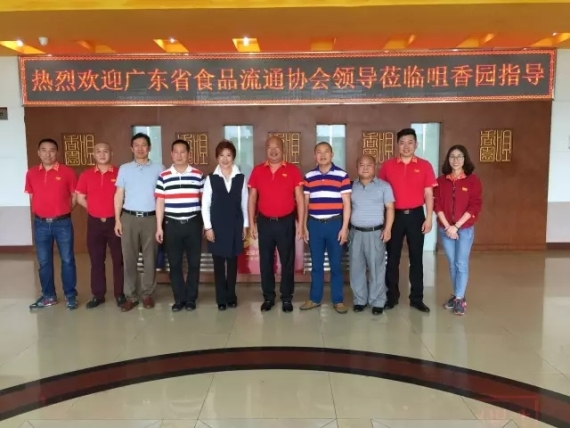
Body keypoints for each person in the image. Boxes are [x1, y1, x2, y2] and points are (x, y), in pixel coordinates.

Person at [378, 128, 438, 313]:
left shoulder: (425, 165)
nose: (406, 146)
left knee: (416, 258)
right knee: (392, 258)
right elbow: (380, 191)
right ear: (397, 145)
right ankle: (392, 297)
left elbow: (429, 193)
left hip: (416, 215)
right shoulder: (388, 166)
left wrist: (429, 218)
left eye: (410, 142)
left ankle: (417, 298)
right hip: (393, 216)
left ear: (416, 144)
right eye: (402, 143)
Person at [248, 136, 304, 312]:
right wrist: (251, 224)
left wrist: (301, 224)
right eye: (270, 147)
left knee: (287, 261)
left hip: (286, 222)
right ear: (266, 149)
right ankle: (268, 297)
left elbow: (300, 199)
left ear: (283, 149)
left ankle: (286, 297)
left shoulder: (293, 170)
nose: (273, 151)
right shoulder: (258, 170)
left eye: (277, 147)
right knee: (265, 261)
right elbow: (252, 198)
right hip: (264, 222)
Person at [25, 138, 78, 310]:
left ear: (57, 152)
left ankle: (70, 295)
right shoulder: (31, 173)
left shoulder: (67, 172)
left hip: (62, 223)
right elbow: (32, 196)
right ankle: (49, 296)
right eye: (44, 150)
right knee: (44, 261)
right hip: (40, 224)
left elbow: (75, 196)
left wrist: (64, 211)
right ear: (38, 152)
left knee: (67, 259)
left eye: (52, 150)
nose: (48, 154)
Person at [114, 133, 164, 312]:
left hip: (151, 218)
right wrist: (117, 219)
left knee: (150, 258)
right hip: (129, 218)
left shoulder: (159, 168)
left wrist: (160, 223)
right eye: (136, 145)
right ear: (131, 148)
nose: (140, 148)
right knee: (129, 258)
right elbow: (119, 194)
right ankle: (131, 296)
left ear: (149, 148)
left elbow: (162, 197)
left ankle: (147, 293)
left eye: (144, 145)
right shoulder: (124, 168)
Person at [300, 142, 351, 314]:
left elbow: (347, 204)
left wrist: (344, 228)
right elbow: (306, 203)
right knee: (316, 265)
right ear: (314, 155)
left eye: (326, 152)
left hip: (335, 224)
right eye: (319, 152)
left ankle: (338, 300)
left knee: (336, 265)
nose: (322, 155)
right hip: (314, 225)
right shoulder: (309, 176)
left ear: (332, 154)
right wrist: (304, 226)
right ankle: (315, 298)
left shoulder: (342, 175)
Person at [155, 139, 204, 312]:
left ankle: (191, 298)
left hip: (193, 224)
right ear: (171, 154)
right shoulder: (164, 176)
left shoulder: (198, 174)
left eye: (183, 152)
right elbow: (160, 202)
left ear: (188, 154)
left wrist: (205, 225)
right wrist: (159, 227)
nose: (179, 155)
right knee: (174, 264)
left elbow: (204, 201)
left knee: (194, 263)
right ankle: (179, 298)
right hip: (172, 224)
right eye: (175, 152)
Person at [434, 145, 482, 316]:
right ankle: (457, 295)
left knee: (461, 263)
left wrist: (457, 226)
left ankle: (460, 299)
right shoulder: (441, 181)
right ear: (448, 159)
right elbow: (437, 204)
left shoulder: (472, 180)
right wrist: (448, 226)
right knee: (452, 263)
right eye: (452, 156)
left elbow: (475, 205)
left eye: (459, 156)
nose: (455, 160)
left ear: (465, 159)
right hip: (446, 229)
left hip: (464, 229)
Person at [76, 142, 125, 308]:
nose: (102, 154)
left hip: (116, 222)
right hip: (94, 222)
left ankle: (120, 293)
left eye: (105, 151)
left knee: (118, 259)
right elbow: (80, 197)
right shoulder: (86, 175)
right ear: (93, 154)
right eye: (98, 151)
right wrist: (94, 209)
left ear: (111, 153)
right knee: (96, 260)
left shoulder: (120, 173)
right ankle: (98, 294)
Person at [202, 140, 248, 311]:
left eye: (228, 155)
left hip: (235, 225)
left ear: (233, 157)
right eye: (221, 155)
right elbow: (205, 205)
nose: (225, 159)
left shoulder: (241, 178)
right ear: (217, 158)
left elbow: (244, 203)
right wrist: (208, 228)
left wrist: (245, 226)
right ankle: (221, 298)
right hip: (217, 227)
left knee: (233, 263)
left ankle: (231, 296)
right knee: (219, 264)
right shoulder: (211, 179)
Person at [349, 154, 395, 315]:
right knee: (356, 268)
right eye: (362, 165)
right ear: (357, 168)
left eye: (369, 165)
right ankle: (359, 300)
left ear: (375, 167)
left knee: (376, 268)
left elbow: (390, 208)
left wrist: (388, 229)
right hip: (355, 233)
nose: (365, 168)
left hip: (376, 233)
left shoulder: (384, 186)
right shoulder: (351, 187)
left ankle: (377, 301)